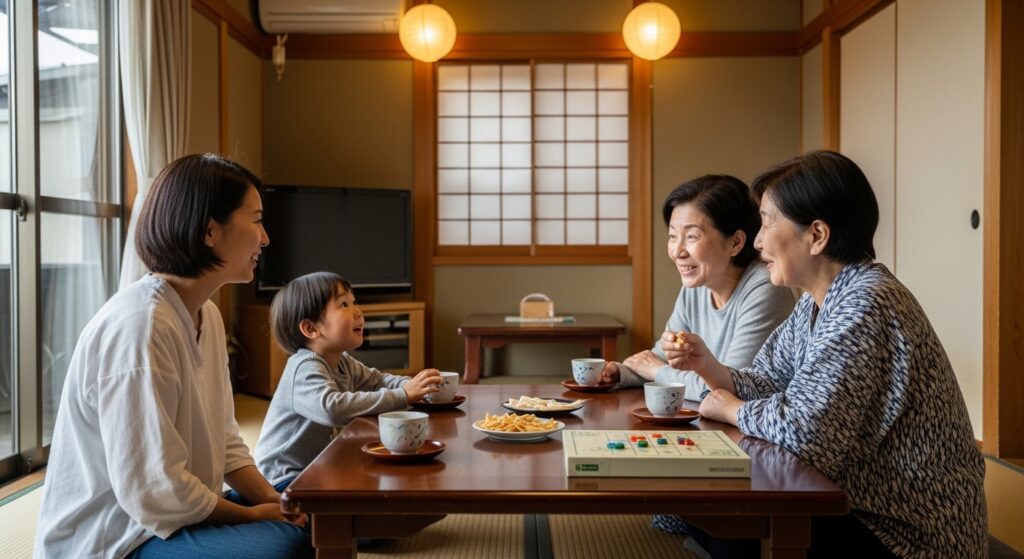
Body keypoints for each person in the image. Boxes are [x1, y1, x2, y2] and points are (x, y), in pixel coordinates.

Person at [663, 151, 987, 558]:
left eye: (767, 222)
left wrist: (731, 410)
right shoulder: (817, 302)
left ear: (816, 235)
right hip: (857, 501)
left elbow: (805, 434)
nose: (759, 240)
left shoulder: (865, 302)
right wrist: (708, 367)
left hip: (906, 528)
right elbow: (767, 378)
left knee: (734, 507)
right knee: (717, 509)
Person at [34, 154, 312, 559]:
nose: (265, 238)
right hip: (119, 536)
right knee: (286, 549)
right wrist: (254, 518)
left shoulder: (207, 315)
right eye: (255, 220)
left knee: (314, 503)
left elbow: (225, 440)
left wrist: (277, 504)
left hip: (175, 513)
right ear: (210, 231)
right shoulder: (141, 327)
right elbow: (153, 490)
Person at [254, 271, 442, 488]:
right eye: (344, 305)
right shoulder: (304, 367)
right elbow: (332, 408)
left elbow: (378, 381)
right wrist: (404, 395)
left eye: (354, 302)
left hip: (319, 466)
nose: (358, 311)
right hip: (284, 479)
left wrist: (415, 386)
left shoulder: (342, 361)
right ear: (311, 328)